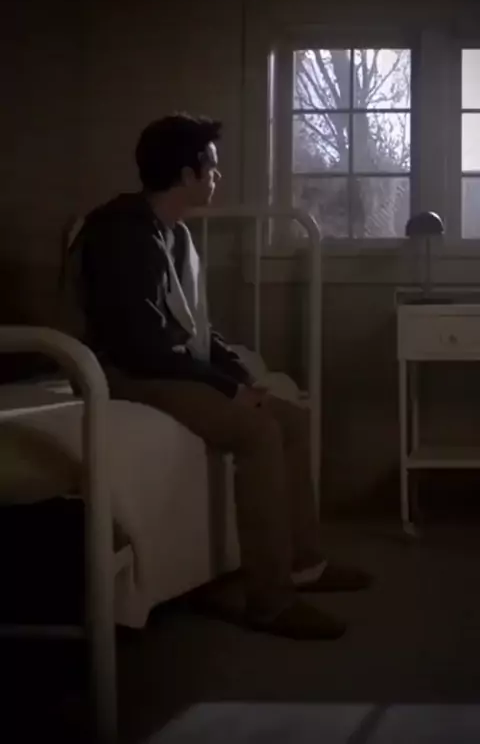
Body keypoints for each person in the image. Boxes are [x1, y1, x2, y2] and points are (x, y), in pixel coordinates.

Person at [77, 113, 371, 639]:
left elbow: (192, 327)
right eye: (211, 167)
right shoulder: (121, 233)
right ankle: (270, 600)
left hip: (164, 363)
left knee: (292, 419)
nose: (218, 177)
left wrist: (237, 371)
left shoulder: (176, 235)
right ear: (186, 173)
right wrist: (228, 390)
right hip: (124, 371)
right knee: (257, 431)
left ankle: (305, 565)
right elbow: (141, 346)